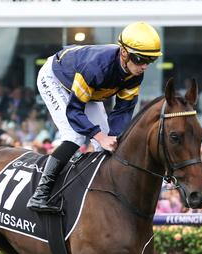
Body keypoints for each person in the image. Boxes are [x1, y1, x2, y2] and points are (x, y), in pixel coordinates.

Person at [27, 21, 162, 212]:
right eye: (141, 59)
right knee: (74, 136)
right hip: (56, 79)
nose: (145, 66)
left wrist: (113, 137)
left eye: (151, 60)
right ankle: (40, 194)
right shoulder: (96, 66)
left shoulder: (135, 73)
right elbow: (74, 111)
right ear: (124, 52)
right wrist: (99, 136)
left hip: (91, 89)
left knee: (108, 143)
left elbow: (123, 110)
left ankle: (98, 193)